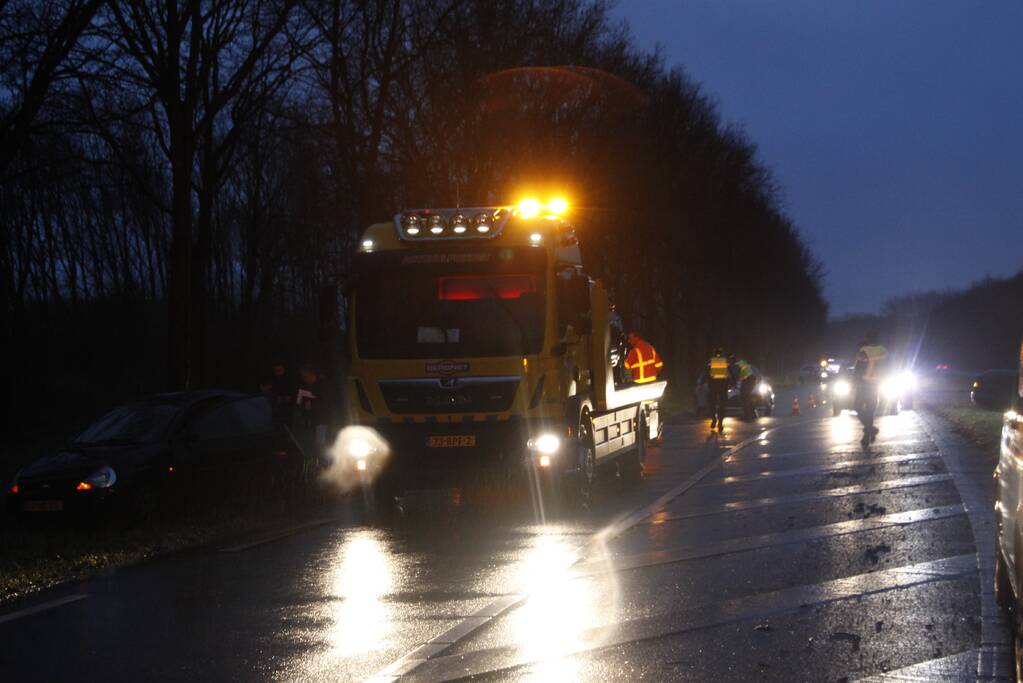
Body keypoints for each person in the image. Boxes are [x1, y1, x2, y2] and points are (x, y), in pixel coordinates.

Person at [854, 331, 889, 447]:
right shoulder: (883, 350)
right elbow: (887, 365)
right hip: (873, 384)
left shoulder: (864, 349)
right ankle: (869, 430)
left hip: (866, 383)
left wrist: (855, 380)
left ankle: (867, 434)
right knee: (868, 410)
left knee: (860, 408)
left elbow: (858, 366)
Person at [260, 359, 294, 427]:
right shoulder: (271, 379)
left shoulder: (289, 378)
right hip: (275, 407)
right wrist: (274, 396)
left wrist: (287, 397)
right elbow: (264, 390)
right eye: (276, 370)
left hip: (288, 407)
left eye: (280, 370)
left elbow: (292, 393)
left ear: (283, 369)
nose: (278, 372)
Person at [706, 347, 731, 432]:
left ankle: (713, 419)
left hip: (713, 385)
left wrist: (705, 382)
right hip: (723, 385)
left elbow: (706, 372)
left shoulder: (711, 361)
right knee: (722, 405)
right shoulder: (725, 361)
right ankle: (720, 423)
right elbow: (730, 372)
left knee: (712, 403)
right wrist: (732, 382)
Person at [730, 355, 757, 421]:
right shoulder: (741, 362)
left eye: (730, 361)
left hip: (748, 380)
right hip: (751, 380)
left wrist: (733, 384)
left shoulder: (735, 365)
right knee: (747, 397)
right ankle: (753, 414)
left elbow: (734, 376)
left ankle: (748, 416)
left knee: (745, 398)